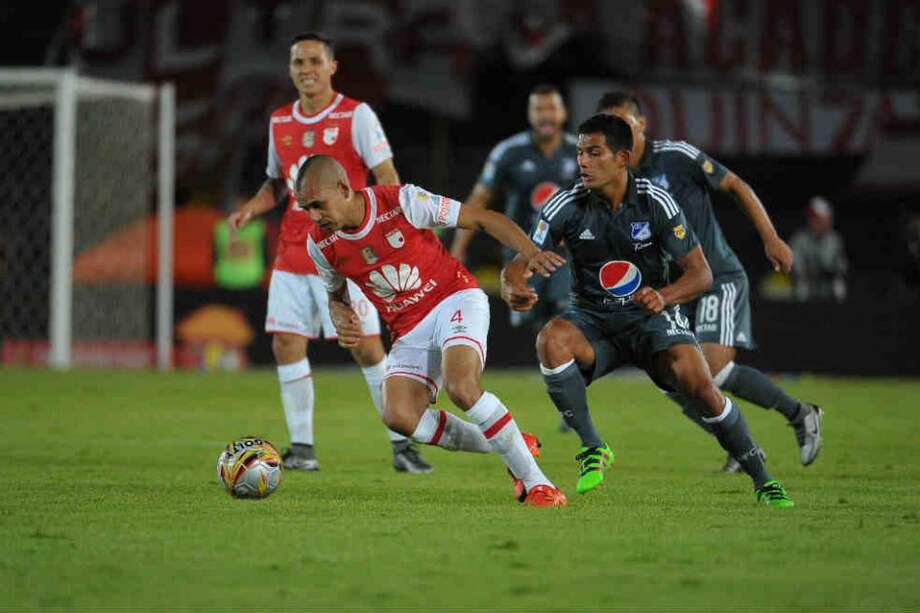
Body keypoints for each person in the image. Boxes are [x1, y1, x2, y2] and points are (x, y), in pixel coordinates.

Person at [502, 114, 794, 507]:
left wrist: (666, 295)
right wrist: (513, 285)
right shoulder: (566, 203)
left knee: (703, 388)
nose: (583, 162)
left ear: (622, 158)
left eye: (594, 152)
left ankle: (763, 479)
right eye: (580, 153)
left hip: (652, 318)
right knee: (550, 340)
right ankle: (593, 447)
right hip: (595, 321)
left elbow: (701, 274)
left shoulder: (656, 201)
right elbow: (521, 260)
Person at [297, 155, 568, 507]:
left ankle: (540, 485)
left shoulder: (401, 203)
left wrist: (530, 252)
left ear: (345, 189)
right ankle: (513, 445)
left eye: (319, 205)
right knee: (398, 416)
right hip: (408, 330)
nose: (314, 216)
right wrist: (339, 312)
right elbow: (335, 292)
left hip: (453, 299)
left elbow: (483, 219)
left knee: (462, 387)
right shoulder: (320, 244)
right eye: (306, 208)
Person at [228, 32, 432, 474]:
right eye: (298, 62)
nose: (307, 69)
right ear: (290, 69)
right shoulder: (279, 121)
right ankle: (302, 447)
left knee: (367, 347)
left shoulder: (356, 116)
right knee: (286, 344)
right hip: (293, 254)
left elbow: (385, 174)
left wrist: (387, 226)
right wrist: (251, 207)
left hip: (348, 252)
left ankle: (402, 444)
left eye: (315, 61)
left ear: (332, 67)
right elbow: (276, 183)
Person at [596, 91, 823, 472]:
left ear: (641, 124)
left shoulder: (676, 156)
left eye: (625, 125)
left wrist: (770, 237)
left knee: (710, 370)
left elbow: (736, 185)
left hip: (716, 277)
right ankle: (736, 442)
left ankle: (801, 414)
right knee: (672, 377)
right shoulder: (615, 178)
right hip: (675, 290)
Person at [450, 84, 578, 334]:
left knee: (565, 314)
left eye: (551, 108)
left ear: (563, 113)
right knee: (527, 314)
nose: (545, 115)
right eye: (538, 109)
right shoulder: (508, 152)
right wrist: (458, 249)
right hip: (521, 248)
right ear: (530, 115)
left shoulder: (579, 152)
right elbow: (478, 202)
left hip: (564, 251)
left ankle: (564, 368)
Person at [789, 196, 847, 302]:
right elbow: (795, 267)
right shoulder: (799, 239)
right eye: (816, 219)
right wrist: (809, 272)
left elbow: (840, 265)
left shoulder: (834, 239)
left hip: (827, 285)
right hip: (806, 285)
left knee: (839, 285)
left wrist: (834, 271)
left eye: (824, 220)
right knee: (801, 287)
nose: (820, 224)